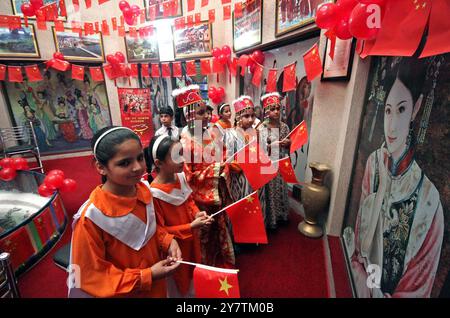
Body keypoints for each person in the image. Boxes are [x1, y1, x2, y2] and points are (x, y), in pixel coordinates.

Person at [347, 58, 444, 298]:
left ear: (416, 107)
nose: (391, 126)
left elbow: (417, 290)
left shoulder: (429, 203)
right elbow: (360, 239)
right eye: (388, 111)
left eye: (401, 110)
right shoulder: (374, 164)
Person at [69, 126, 182, 298]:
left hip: (156, 285)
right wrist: (146, 275)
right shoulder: (91, 218)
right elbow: (90, 275)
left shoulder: (143, 190)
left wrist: (167, 241)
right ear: (101, 167)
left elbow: (151, 229)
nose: (137, 168)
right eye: (124, 163)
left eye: (140, 158)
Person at [175, 85, 235, 267]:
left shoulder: (211, 132)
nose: (207, 116)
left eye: (206, 112)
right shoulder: (184, 143)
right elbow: (187, 176)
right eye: (201, 113)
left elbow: (223, 153)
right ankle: (205, 267)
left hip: (217, 190)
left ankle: (221, 261)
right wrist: (216, 169)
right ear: (189, 116)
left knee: (220, 227)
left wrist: (225, 164)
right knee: (203, 233)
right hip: (199, 200)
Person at [145, 135, 213, 297]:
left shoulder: (181, 177)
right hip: (175, 248)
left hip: (192, 241)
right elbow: (160, 231)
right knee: (178, 282)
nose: (182, 159)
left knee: (194, 273)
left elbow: (188, 200)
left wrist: (197, 212)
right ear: (158, 163)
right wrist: (190, 226)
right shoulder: (153, 194)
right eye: (176, 156)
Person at [258, 93, 291, 230]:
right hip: (268, 164)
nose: (276, 111)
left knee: (281, 189)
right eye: (272, 109)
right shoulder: (261, 128)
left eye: (278, 108)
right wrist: (274, 144)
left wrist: (288, 143)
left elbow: (290, 145)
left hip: (282, 162)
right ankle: (271, 220)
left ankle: (281, 215)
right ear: (266, 111)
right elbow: (259, 149)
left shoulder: (284, 127)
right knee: (270, 191)